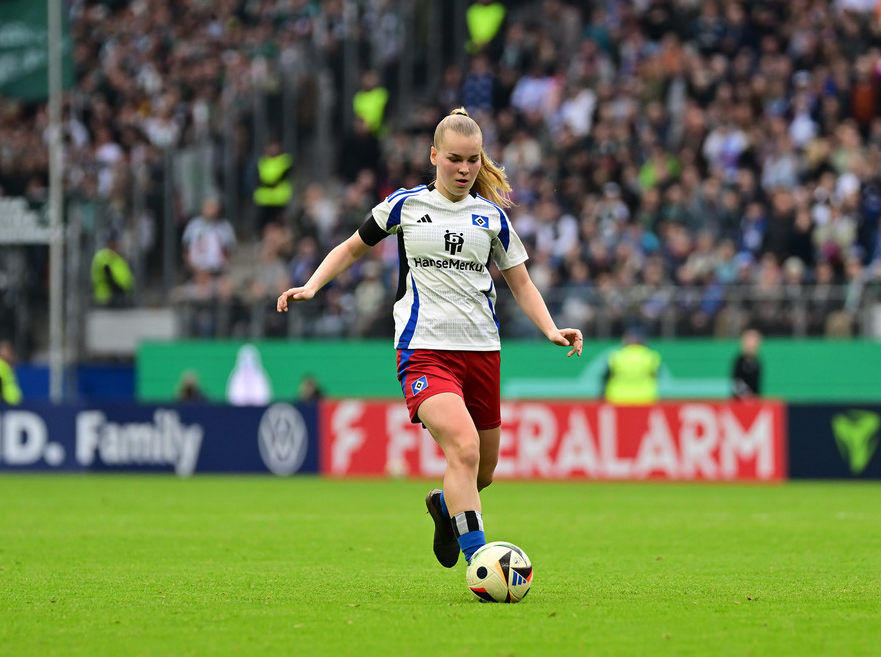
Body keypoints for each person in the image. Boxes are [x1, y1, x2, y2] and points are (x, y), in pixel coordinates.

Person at [277, 107, 583, 569]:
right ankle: (482, 562)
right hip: (425, 348)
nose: (464, 169)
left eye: (473, 160)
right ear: (434, 155)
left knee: (483, 471)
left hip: (482, 350)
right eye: (455, 159)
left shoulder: (492, 218)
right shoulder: (405, 205)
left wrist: (550, 328)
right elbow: (351, 247)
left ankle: (445, 507)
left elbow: (520, 282)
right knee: (463, 447)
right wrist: (314, 284)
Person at [602, 329, 661, 405]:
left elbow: (606, 377)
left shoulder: (616, 356)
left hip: (618, 398)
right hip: (645, 398)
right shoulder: (650, 356)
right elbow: (657, 376)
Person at [90, 232, 134, 307]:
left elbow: (126, 277)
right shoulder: (103, 257)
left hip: (121, 297)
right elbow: (108, 277)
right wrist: (118, 287)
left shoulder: (118, 259)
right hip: (106, 296)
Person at [731, 328, 763, 400]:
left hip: (754, 403)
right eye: (749, 339)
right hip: (740, 403)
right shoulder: (739, 361)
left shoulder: (757, 362)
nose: (752, 343)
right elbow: (736, 382)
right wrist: (747, 397)